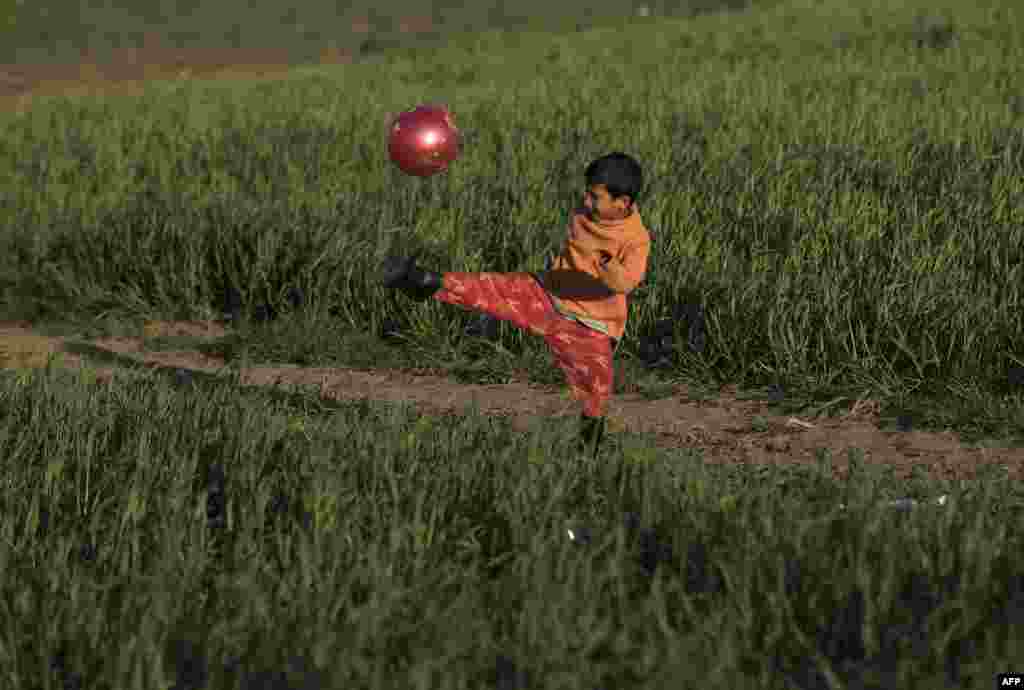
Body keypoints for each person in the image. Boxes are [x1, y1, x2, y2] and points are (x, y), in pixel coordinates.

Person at [381, 152, 651, 458]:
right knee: (492, 288)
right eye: (587, 192)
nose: (585, 200)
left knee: (595, 389)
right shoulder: (585, 213)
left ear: (623, 204)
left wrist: (607, 268)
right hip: (548, 294)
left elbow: (627, 281)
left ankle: (588, 451)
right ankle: (424, 282)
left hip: (589, 325)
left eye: (594, 196)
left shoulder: (636, 239)